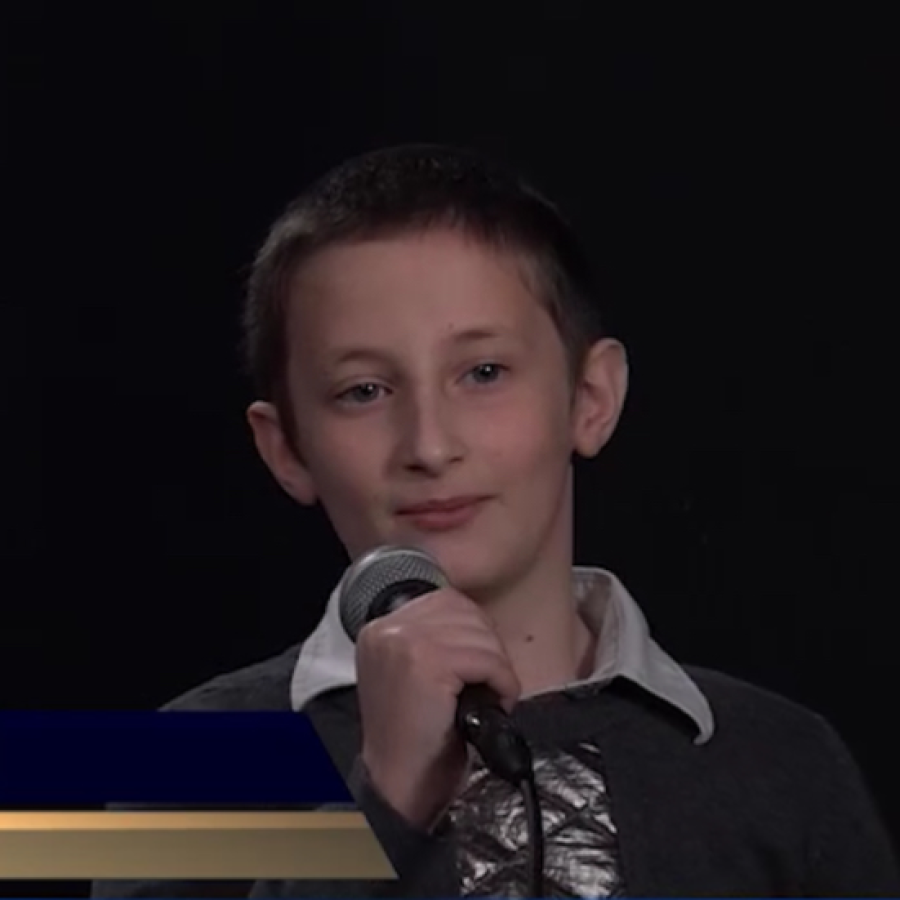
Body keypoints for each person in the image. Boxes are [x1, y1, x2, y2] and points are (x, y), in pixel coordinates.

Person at [93, 144, 899, 898]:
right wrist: (385, 800)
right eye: (363, 391)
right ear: (288, 449)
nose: (430, 445)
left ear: (590, 399)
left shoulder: (784, 760)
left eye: (483, 372)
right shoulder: (183, 759)